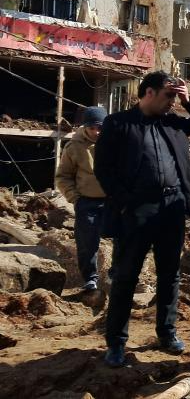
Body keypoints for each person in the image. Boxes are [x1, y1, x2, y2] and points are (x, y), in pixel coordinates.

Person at [94, 71, 190, 367]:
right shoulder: (118, 123)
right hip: (137, 210)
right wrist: (126, 203)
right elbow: (104, 169)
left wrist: (188, 101)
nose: (172, 101)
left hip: (172, 208)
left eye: (175, 97)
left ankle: (167, 333)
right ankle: (116, 343)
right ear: (148, 92)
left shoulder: (172, 122)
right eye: (168, 95)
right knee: (126, 276)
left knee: (170, 274)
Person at [55, 105, 108, 292]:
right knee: (87, 243)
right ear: (85, 127)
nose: (96, 132)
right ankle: (90, 279)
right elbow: (63, 177)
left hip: (113, 201)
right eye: (92, 128)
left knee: (124, 238)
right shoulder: (74, 147)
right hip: (87, 202)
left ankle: (117, 276)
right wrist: (75, 198)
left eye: (100, 127)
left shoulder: (116, 143)